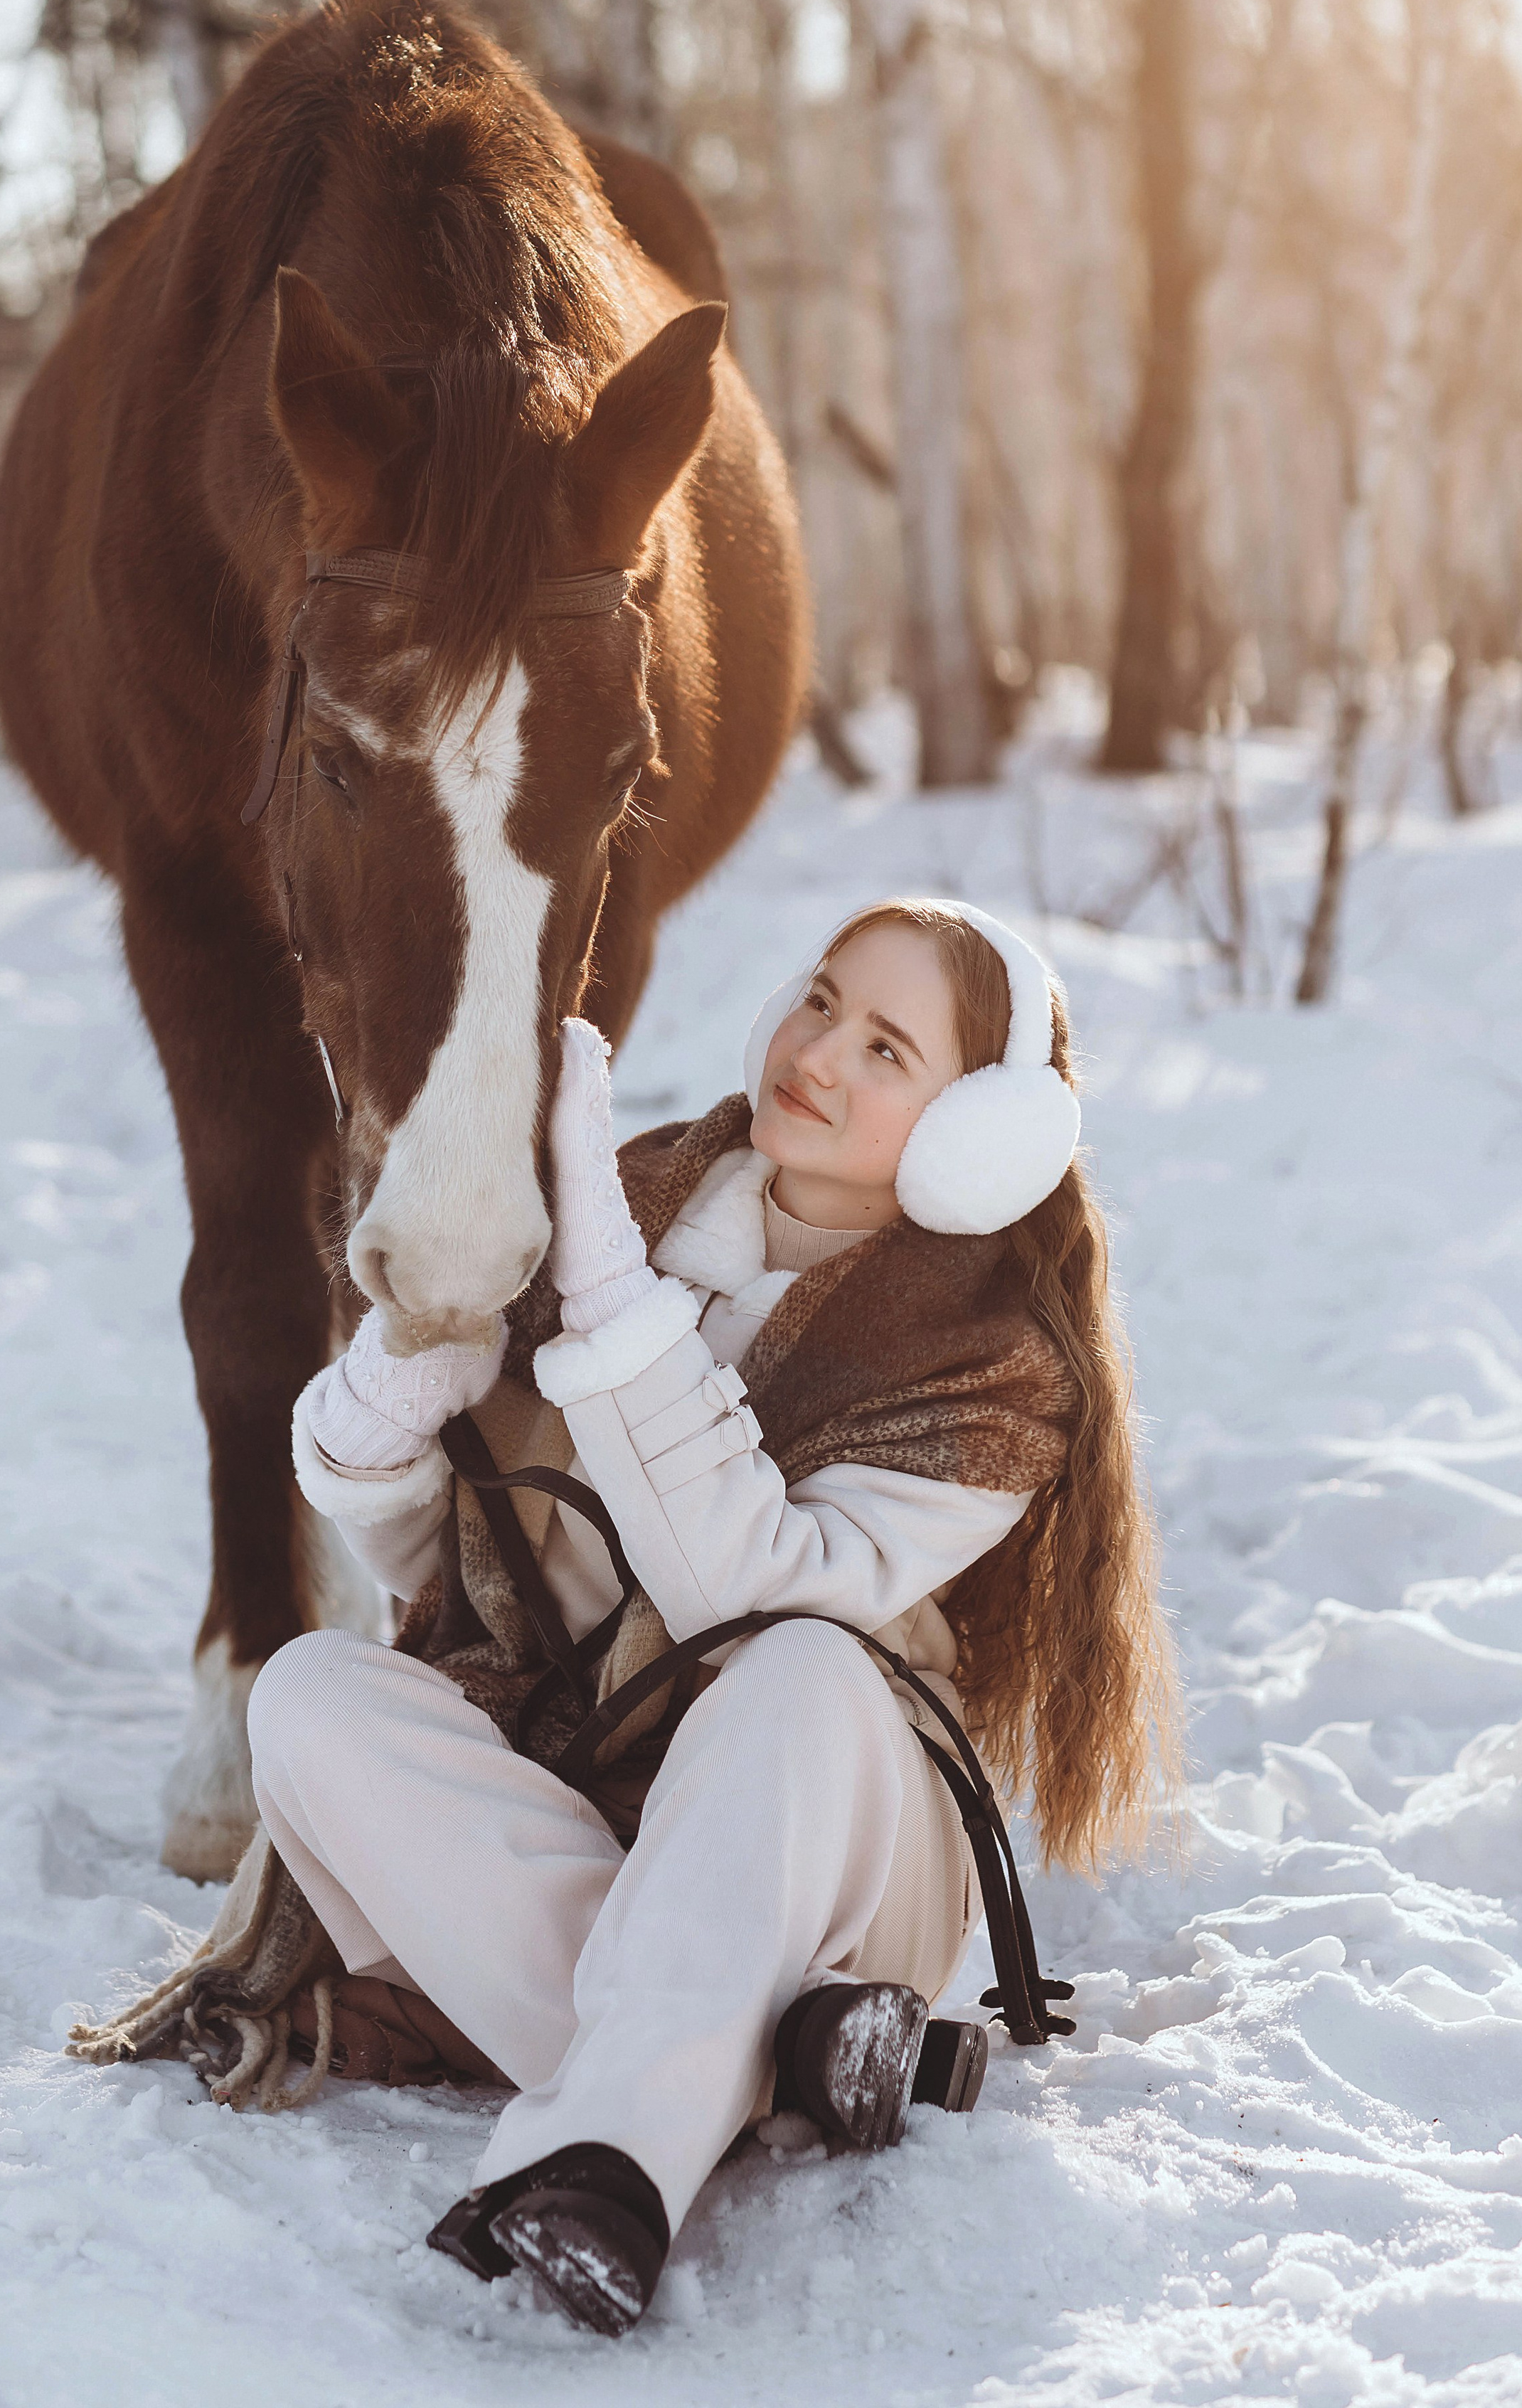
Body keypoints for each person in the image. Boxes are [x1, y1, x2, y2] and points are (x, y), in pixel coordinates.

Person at [246, 897, 1178, 2335]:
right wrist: (391, 1417)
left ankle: (604, 2164)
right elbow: (478, 1567)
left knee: (802, 1660)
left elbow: (742, 1593)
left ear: (974, 1133)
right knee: (309, 1693)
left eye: (886, 1048)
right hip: (582, 1801)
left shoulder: (993, 1365)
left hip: (834, 1849)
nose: (819, 1053)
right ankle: (784, 2055)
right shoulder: (630, 1191)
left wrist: (617, 1302)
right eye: (818, 1001)